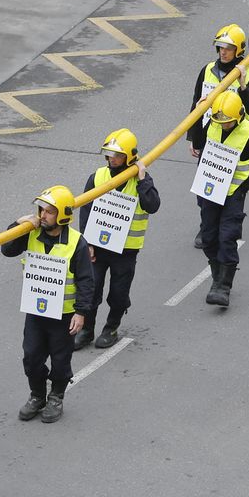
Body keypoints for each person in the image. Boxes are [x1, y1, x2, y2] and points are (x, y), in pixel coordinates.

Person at [1, 186, 93, 423]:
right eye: (41, 209)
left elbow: (85, 280)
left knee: (61, 360)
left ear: (62, 214)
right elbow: (7, 249)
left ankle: (56, 397)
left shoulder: (76, 243)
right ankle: (37, 395)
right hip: (36, 311)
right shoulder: (32, 232)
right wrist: (17, 224)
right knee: (31, 357)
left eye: (49, 211)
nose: (42, 215)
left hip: (63, 315)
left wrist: (81, 313)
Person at [76, 129, 162, 342]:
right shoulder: (97, 177)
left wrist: (143, 180)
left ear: (130, 156)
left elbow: (152, 206)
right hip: (99, 248)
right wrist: (87, 243)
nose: (112, 159)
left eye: (117, 155)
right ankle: (87, 330)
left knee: (118, 292)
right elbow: (86, 210)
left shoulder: (141, 180)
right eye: (109, 154)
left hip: (125, 250)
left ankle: (111, 328)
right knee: (91, 289)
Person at [194, 91, 249, 307]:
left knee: (227, 237)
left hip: (233, 195)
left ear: (238, 117)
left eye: (228, 122)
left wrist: (242, 189)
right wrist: (199, 113)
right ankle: (217, 275)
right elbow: (201, 144)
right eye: (221, 122)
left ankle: (223, 286)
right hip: (210, 192)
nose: (224, 125)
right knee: (208, 238)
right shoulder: (215, 123)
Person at [187, 23, 249, 167]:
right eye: (221, 48)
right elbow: (196, 102)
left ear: (238, 50)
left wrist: (243, 87)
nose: (223, 52)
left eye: (228, 49)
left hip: (234, 138)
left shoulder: (248, 76)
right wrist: (193, 136)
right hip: (209, 136)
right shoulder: (207, 70)